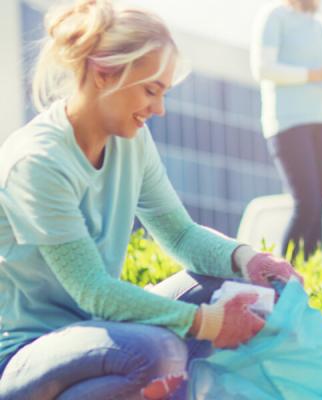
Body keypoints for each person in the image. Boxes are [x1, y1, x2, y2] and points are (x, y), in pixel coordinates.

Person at [0, 1, 303, 398]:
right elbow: (93, 290)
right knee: (156, 352)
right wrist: (206, 323)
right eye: (150, 91)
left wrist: (249, 259)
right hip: (28, 353)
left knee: (244, 290)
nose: (158, 109)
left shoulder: (132, 141)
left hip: (101, 331)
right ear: (103, 74)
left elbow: (178, 235)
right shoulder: (37, 161)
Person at [250, 0, 322, 261]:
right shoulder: (274, 15)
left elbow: (320, 78)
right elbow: (263, 69)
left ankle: (308, 276)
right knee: (306, 204)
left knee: (319, 205)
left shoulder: (317, 25)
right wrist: (314, 75)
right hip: (288, 122)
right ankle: (283, 276)